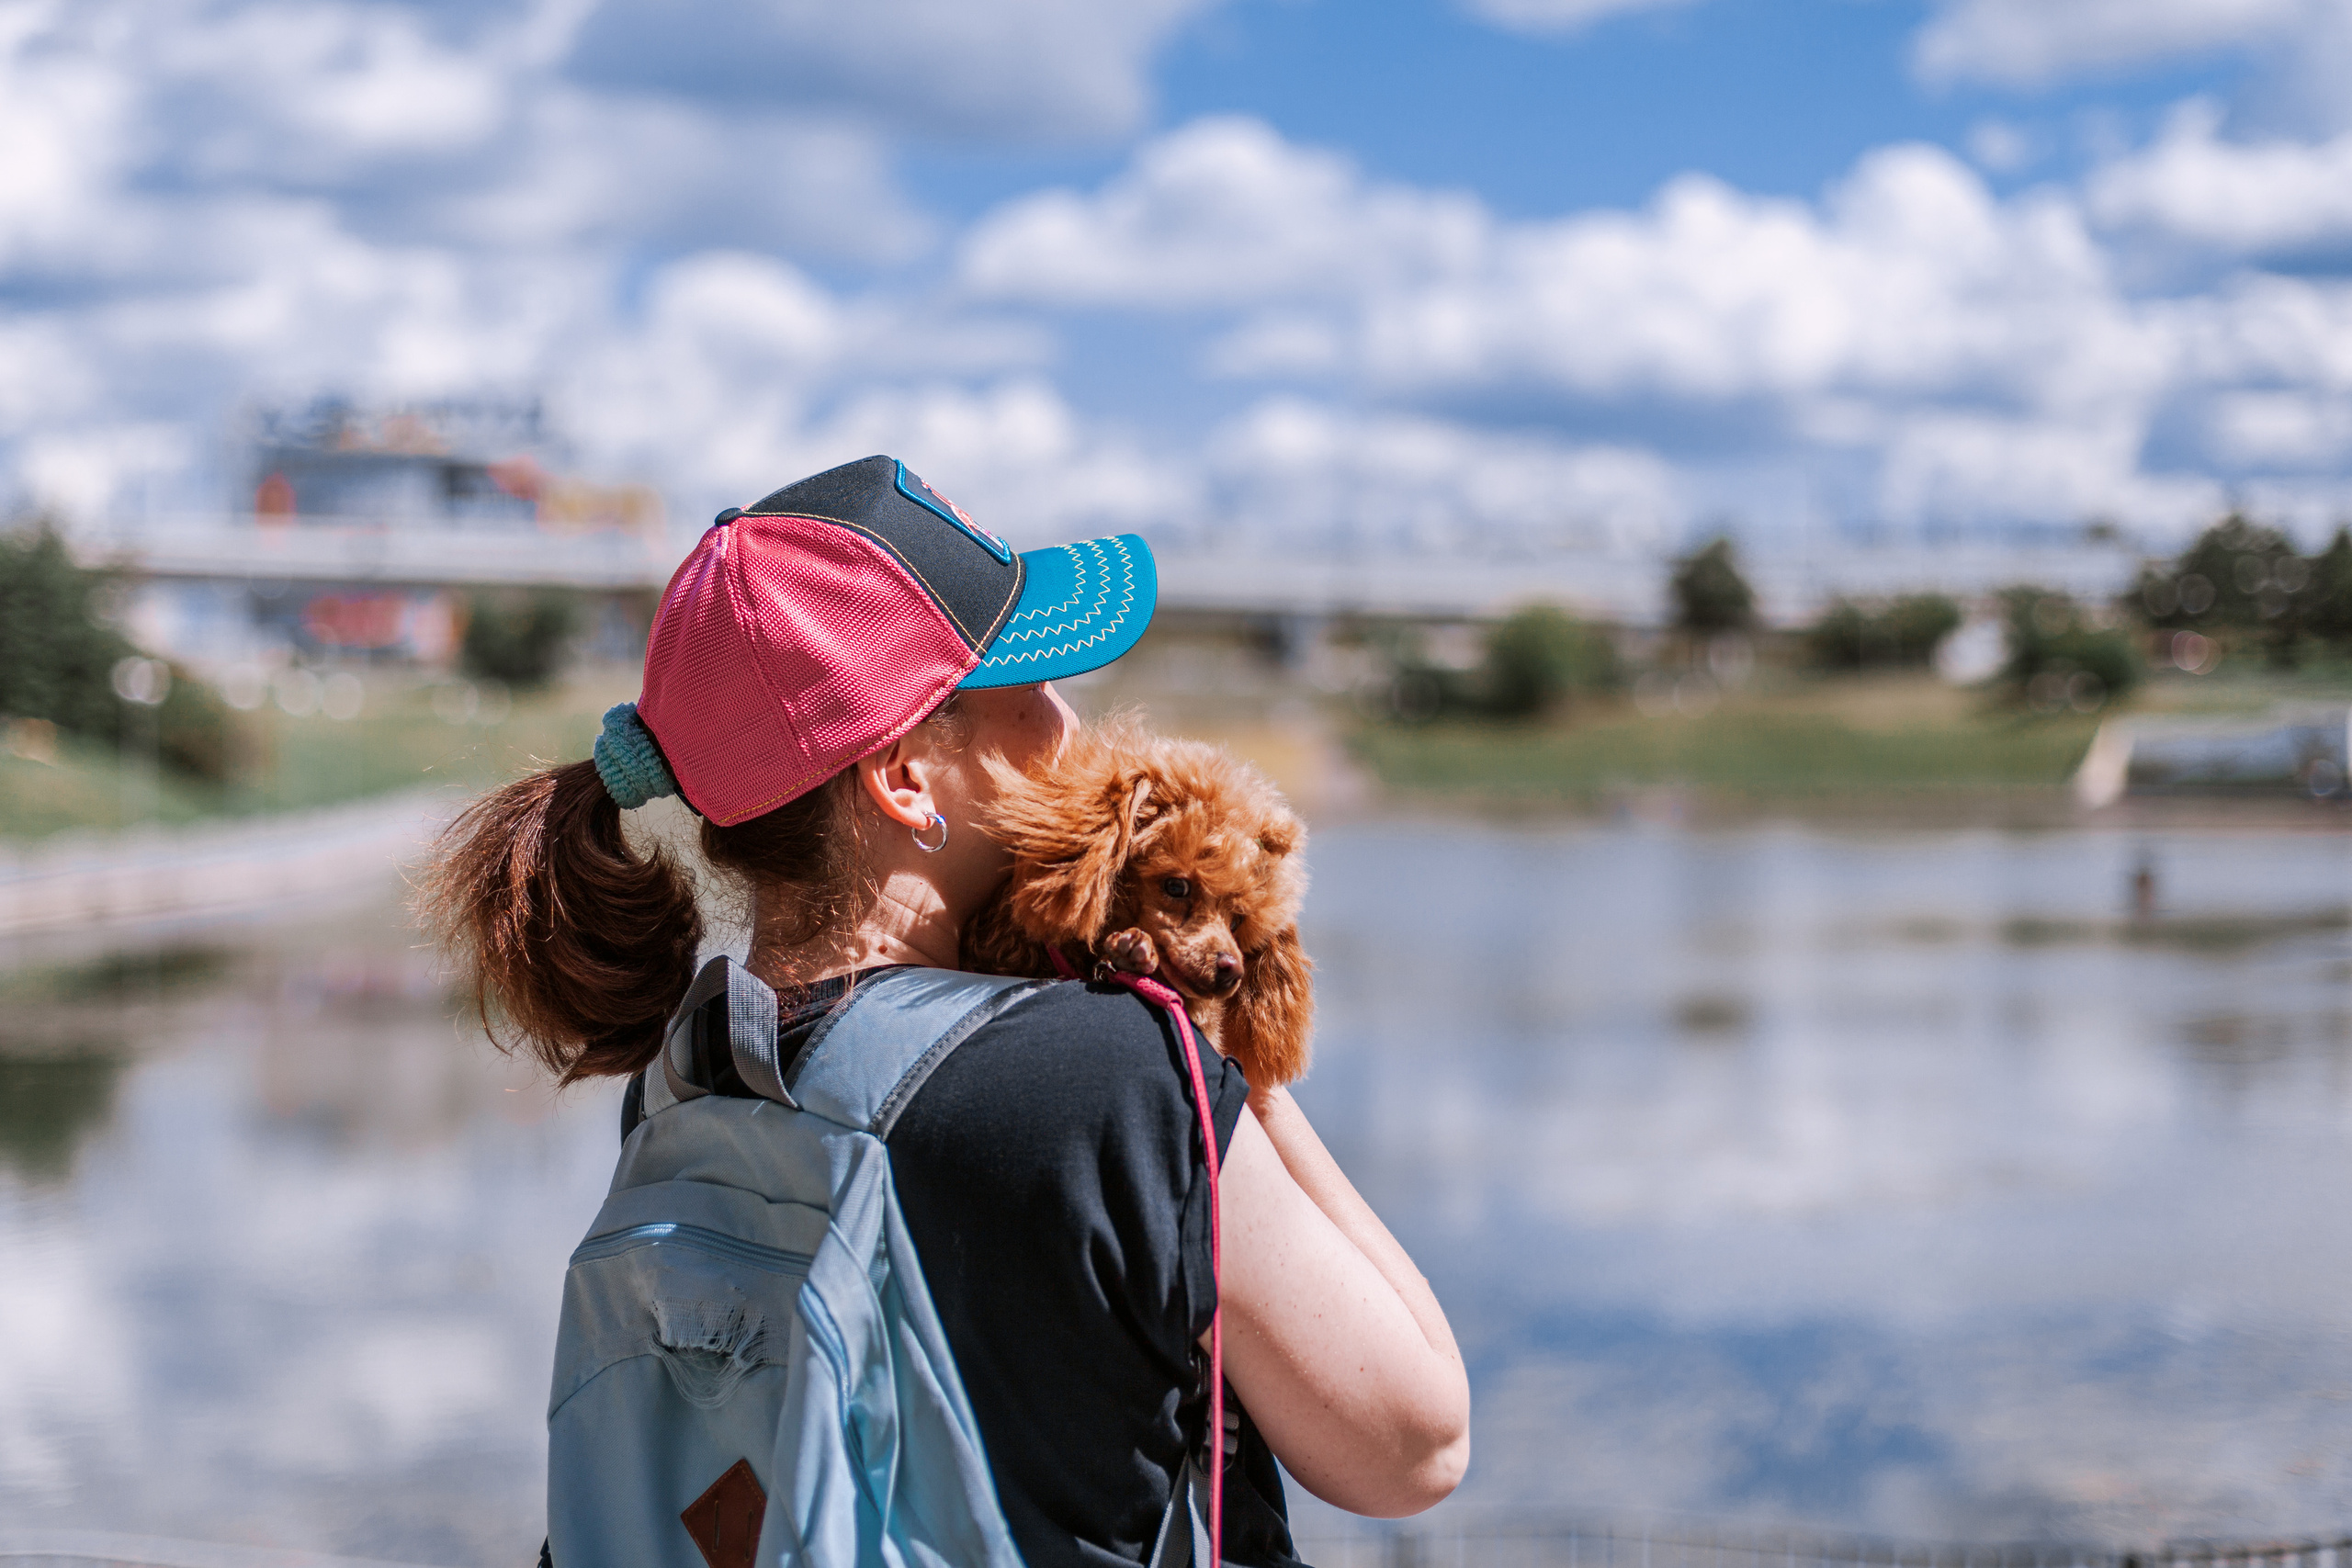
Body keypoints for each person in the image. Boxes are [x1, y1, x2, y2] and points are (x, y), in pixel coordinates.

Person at [423, 457, 1467, 1568]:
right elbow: (1414, 1445)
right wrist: (1220, 1056)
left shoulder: (690, 1079)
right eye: (1034, 685)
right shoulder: (1103, 1076)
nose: (1070, 726)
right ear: (907, 778)